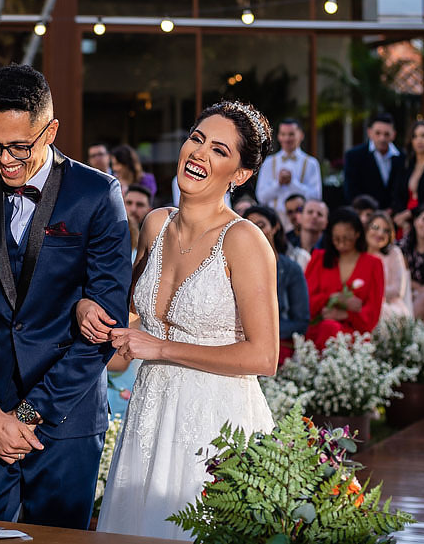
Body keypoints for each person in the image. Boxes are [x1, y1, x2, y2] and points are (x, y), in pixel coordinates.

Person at [0, 64, 131, 530]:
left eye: (19, 147)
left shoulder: (97, 194)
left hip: (66, 417)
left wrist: (28, 415)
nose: (4, 159)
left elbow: (104, 327)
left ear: (50, 132)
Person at [89, 100, 277, 540]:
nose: (199, 153)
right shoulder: (154, 225)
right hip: (148, 416)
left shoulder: (245, 241)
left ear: (241, 174)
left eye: (219, 150)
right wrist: (95, 320)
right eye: (196, 139)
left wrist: (159, 348)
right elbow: (129, 322)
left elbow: (265, 355)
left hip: (217, 422)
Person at [304, 208, 385, 350]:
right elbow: (305, 302)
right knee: (327, 327)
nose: (341, 243)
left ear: (358, 234)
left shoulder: (374, 264)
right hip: (318, 330)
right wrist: (332, 298)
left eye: (346, 238)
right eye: (336, 239)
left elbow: (372, 312)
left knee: (330, 328)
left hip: (354, 333)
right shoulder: (319, 259)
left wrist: (345, 315)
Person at [244, 205, 309, 365]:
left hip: (281, 345)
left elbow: (301, 321)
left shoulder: (291, 269)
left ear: (275, 227)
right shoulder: (238, 268)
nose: (256, 232)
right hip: (243, 345)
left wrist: (263, 332)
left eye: (261, 225)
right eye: (249, 227)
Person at [255, 118, 322, 218]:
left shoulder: (311, 163)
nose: (286, 139)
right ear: (278, 136)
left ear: (301, 135)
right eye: (283, 134)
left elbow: (316, 197)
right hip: (274, 217)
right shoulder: (268, 162)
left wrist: (292, 183)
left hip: (301, 219)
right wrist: (278, 183)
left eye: (291, 134)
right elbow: (261, 197)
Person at [343, 112, 404, 210]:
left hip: (394, 216)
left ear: (394, 135)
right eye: (378, 133)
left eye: (386, 134)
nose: (382, 138)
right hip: (365, 215)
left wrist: (393, 209)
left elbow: (402, 190)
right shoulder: (354, 156)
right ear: (369, 132)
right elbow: (351, 191)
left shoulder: (403, 157)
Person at [364, 212, 413, 328]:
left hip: (390, 305)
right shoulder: (357, 253)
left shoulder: (394, 253)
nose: (380, 233)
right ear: (366, 228)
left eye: (386, 230)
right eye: (375, 227)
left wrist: (371, 295)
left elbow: (398, 290)